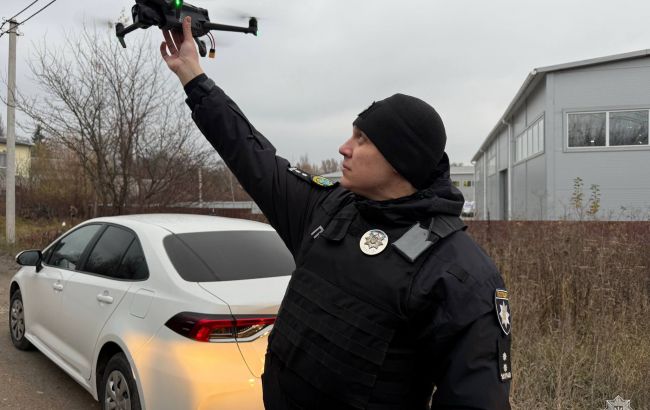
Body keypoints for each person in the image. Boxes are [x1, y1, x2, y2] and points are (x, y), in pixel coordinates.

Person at [161, 16, 512, 410]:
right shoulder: (328, 210)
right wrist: (193, 76)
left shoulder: (458, 274)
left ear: (401, 160)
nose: (344, 148)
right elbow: (252, 156)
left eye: (362, 139)